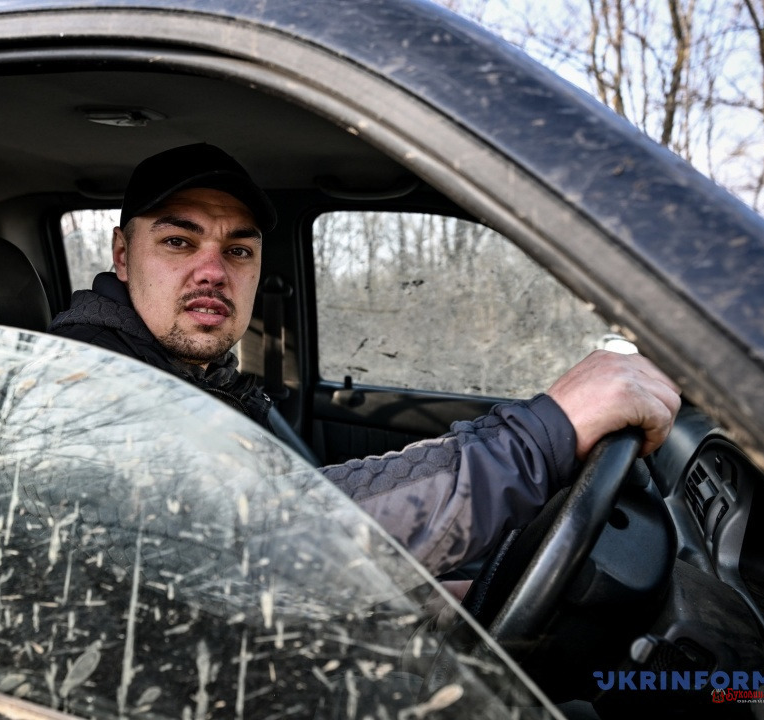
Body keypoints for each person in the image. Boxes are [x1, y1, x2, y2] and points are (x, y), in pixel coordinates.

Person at [49, 143, 681, 576]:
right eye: (178, 241)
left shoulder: (197, 378)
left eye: (238, 251)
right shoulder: (83, 390)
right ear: (123, 256)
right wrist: (542, 435)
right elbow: (268, 539)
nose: (213, 271)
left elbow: (292, 505)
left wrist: (440, 604)